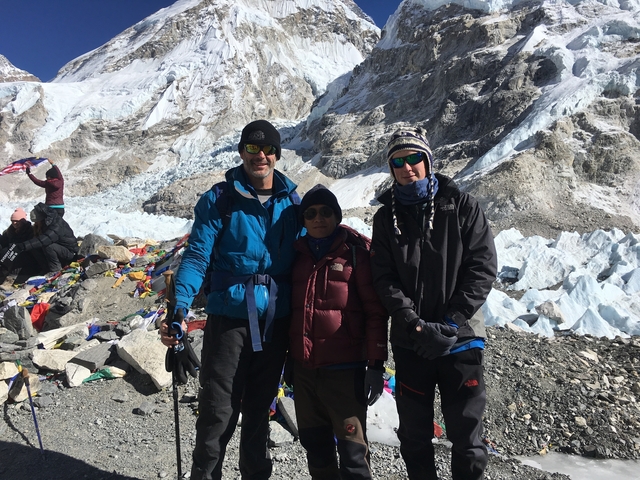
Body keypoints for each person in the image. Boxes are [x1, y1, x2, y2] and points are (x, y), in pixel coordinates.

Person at [160, 120, 302, 480]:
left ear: (277, 154)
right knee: (217, 413)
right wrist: (180, 309)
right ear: (241, 152)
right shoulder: (220, 199)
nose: (261, 156)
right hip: (228, 322)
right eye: (253, 149)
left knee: (258, 415)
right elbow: (197, 256)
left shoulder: (293, 203)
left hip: (274, 324)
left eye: (268, 149)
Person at [369, 127, 497, 480]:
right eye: (399, 161)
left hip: (462, 340)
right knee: (413, 436)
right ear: (391, 168)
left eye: (414, 158)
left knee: (467, 438)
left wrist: (452, 322)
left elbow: (482, 269)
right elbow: (384, 277)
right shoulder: (385, 219)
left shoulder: (462, 206)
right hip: (413, 343)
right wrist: (413, 323)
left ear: (427, 161)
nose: (408, 167)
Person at [289, 184, 387, 480]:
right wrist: (287, 364)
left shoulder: (356, 256)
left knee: (353, 452)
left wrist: (375, 365)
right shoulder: (295, 257)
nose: (319, 218)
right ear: (303, 219)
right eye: (311, 213)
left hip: (345, 372)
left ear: (337, 215)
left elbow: (375, 313)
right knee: (316, 448)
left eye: (326, 212)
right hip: (304, 372)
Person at [16, 202, 78, 274]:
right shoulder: (46, 223)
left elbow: (44, 240)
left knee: (48, 246)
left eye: (37, 221)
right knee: (34, 247)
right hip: (59, 250)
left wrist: (24, 245)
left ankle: (55, 270)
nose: (35, 223)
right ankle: (45, 269)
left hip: (70, 253)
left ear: (42, 219)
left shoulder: (56, 225)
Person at [0, 208, 39, 284]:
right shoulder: (9, 231)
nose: (14, 223)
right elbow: (4, 242)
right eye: (13, 221)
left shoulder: (30, 231)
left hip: (24, 255)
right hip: (11, 254)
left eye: (17, 221)